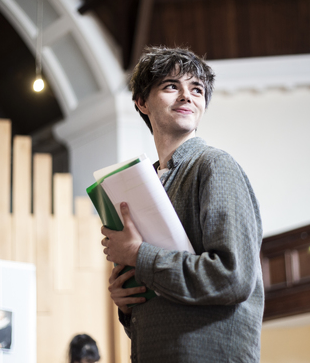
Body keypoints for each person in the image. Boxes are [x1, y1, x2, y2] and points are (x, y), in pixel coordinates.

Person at [100, 46, 264, 362]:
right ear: (142, 102)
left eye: (197, 89)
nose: (187, 96)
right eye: (171, 86)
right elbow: (168, 306)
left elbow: (232, 278)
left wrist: (138, 255)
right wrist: (127, 301)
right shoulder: (141, 184)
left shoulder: (214, 165)